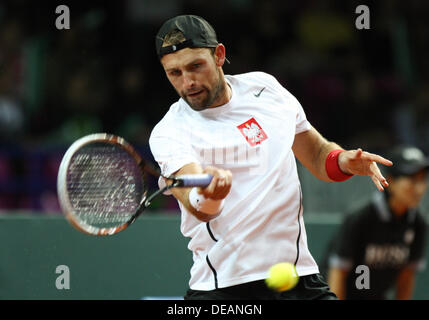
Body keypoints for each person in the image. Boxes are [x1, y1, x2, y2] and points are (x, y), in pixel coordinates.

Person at [149, 15, 392, 300]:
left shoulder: (266, 89)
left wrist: (342, 160)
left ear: (219, 55)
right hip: (225, 289)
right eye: (174, 73)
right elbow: (198, 206)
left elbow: (315, 153)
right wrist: (212, 193)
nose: (187, 81)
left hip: (298, 277)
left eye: (195, 66)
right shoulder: (170, 132)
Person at [324, 145, 428, 300]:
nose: (419, 189)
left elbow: (406, 278)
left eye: (422, 180)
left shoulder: (418, 224)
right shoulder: (361, 218)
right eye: (412, 180)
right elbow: (338, 272)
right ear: (390, 181)